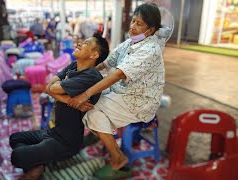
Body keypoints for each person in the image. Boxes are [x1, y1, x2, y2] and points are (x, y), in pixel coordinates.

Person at [68, 3, 165, 170]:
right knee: (89, 99)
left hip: (139, 101)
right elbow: (107, 63)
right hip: (122, 91)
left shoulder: (150, 49)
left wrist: (86, 93)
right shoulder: (129, 43)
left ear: (150, 30)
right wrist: (84, 74)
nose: (133, 26)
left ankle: (118, 157)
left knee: (91, 109)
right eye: (133, 21)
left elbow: (119, 74)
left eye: (139, 24)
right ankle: (98, 133)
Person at [9, 33, 109, 179]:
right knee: (15, 138)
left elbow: (53, 89)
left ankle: (38, 163)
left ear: (94, 54)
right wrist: (69, 100)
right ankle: (39, 163)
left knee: (16, 156)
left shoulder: (91, 76)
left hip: (66, 142)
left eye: (86, 43)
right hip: (54, 132)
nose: (79, 43)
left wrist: (54, 89)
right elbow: (50, 87)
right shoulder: (74, 66)